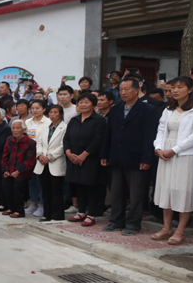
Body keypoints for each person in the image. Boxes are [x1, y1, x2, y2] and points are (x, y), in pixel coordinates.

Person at [100, 77, 159, 235]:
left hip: (137, 157)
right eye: (121, 90)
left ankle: (133, 223)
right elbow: (109, 133)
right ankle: (115, 221)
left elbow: (150, 136)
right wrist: (105, 154)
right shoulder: (115, 109)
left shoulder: (148, 110)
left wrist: (147, 158)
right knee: (117, 192)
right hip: (117, 156)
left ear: (137, 90)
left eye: (127, 89)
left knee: (136, 194)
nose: (123, 92)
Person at [151, 76, 193, 245]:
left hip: (185, 155)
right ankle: (167, 228)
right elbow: (161, 130)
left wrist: (174, 150)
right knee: (166, 190)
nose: (174, 90)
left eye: (179, 87)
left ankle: (180, 231)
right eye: (172, 87)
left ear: (190, 89)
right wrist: (158, 148)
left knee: (183, 191)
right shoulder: (168, 110)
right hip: (165, 153)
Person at [64, 93, 108, 226]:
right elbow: (66, 138)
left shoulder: (99, 120)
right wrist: (69, 153)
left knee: (91, 186)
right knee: (78, 186)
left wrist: (84, 154)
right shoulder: (74, 120)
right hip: (73, 158)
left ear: (94, 105)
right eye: (81, 102)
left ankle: (91, 214)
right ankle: (81, 212)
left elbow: (98, 139)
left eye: (86, 102)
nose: (83, 105)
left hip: (90, 159)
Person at [35, 105, 68, 222]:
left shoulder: (65, 127)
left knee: (56, 191)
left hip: (56, 162)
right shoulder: (45, 127)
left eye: (55, 112)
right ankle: (47, 214)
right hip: (42, 163)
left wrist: (49, 157)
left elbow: (63, 145)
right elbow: (39, 142)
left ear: (61, 114)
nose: (52, 114)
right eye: (51, 112)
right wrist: (40, 155)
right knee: (45, 190)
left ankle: (57, 215)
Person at [0, 119, 36, 218]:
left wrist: (19, 171)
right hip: (10, 170)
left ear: (23, 129)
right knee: (6, 185)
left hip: (22, 172)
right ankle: (10, 208)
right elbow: (5, 156)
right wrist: (5, 170)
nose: (15, 130)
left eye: (18, 128)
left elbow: (30, 160)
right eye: (13, 128)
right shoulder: (9, 139)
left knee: (17, 188)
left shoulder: (30, 142)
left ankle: (20, 211)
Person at [23, 100, 51, 217]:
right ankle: (33, 203)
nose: (34, 110)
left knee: (41, 182)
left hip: (41, 155)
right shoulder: (28, 121)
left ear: (44, 109)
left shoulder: (48, 122)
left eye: (37, 108)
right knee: (32, 181)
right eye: (32, 108)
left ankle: (42, 205)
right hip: (28, 155)